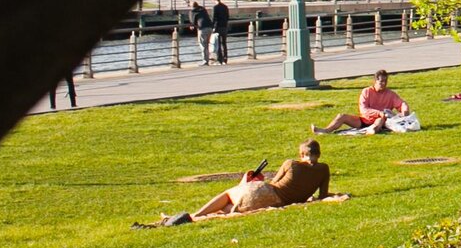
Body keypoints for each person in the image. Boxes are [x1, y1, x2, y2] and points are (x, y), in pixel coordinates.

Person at [160, 140, 334, 225]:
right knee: (229, 207)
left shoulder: (291, 163)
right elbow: (323, 195)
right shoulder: (324, 169)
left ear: (301, 154)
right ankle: (195, 217)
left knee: (229, 194)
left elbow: (274, 183)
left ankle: (195, 216)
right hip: (279, 201)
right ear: (319, 154)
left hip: (267, 192)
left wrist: (247, 182)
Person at [315, 69, 408, 134]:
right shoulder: (366, 91)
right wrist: (378, 112)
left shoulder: (390, 94)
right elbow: (363, 109)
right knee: (342, 116)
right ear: (375, 81)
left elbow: (401, 104)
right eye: (381, 81)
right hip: (363, 120)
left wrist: (405, 110)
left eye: (385, 81)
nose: (383, 84)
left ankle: (373, 130)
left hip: (380, 120)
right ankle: (326, 131)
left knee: (379, 121)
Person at [209, 0, 231, 64]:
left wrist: (212, 27)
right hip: (224, 26)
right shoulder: (225, 6)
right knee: (224, 43)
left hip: (218, 27)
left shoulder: (215, 7)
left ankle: (219, 59)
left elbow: (213, 18)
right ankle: (225, 58)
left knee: (217, 43)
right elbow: (228, 17)